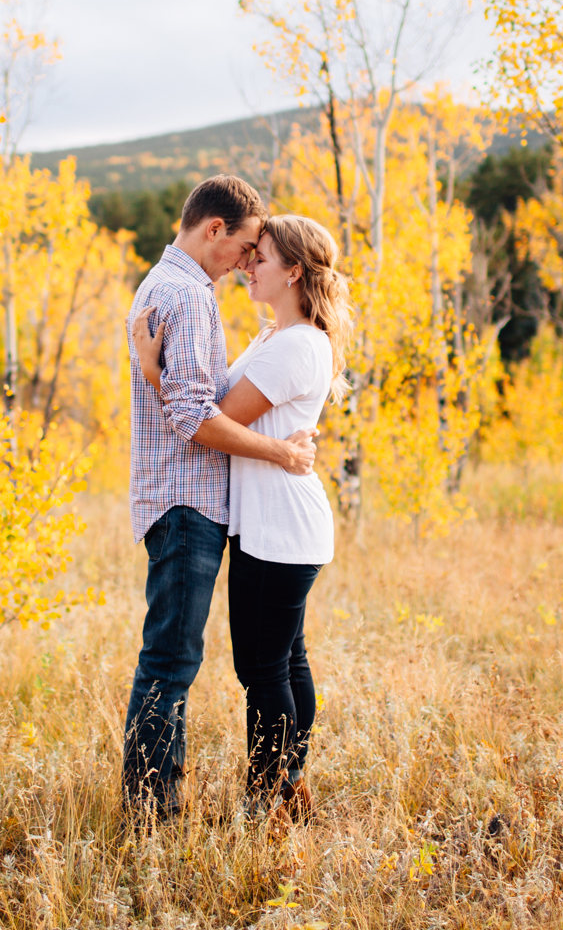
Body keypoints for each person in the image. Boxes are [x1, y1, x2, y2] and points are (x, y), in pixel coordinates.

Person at [133, 213, 352, 825]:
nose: (248, 265)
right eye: (249, 253)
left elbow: (212, 422)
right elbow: (218, 415)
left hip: (281, 525)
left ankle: (269, 794)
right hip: (272, 523)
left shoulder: (295, 345)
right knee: (284, 661)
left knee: (262, 667)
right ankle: (288, 785)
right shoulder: (273, 339)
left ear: (294, 272)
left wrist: (155, 375)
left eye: (262, 257)